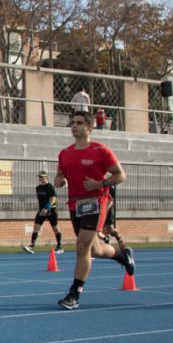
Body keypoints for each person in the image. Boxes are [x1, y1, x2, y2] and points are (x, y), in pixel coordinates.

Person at [53, 111, 136, 310]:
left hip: (96, 201)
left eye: (79, 123)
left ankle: (74, 293)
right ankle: (123, 256)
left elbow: (120, 176)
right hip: (75, 204)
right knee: (94, 249)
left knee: (82, 247)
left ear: (90, 127)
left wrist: (101, 182)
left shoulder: (101, 150)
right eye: (72, 123)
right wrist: (59, 181)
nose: (74, 126)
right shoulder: (65, 153)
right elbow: (60, 175)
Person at [22, 170, 63, 254]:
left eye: (42, 177)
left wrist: (47, 208)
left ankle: (59, 247)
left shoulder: (50, 186)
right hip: (42, 211)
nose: (40, 178)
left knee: (55, 227)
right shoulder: (38, 188)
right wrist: (42, 209)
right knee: (36, 226)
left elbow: (53, 198)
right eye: (39, 177)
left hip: (51, 210)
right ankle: (31, 246)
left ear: (46, 177)